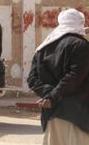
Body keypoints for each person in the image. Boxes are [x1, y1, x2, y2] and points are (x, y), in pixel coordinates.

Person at [28, 9, 89, 145]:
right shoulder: (81, 45)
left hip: (51, 115)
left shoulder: (43, 48)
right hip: (77, 116)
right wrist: (53, 96)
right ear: (80, 23)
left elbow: (32, 79)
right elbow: (74, 77)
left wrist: (50, 96)